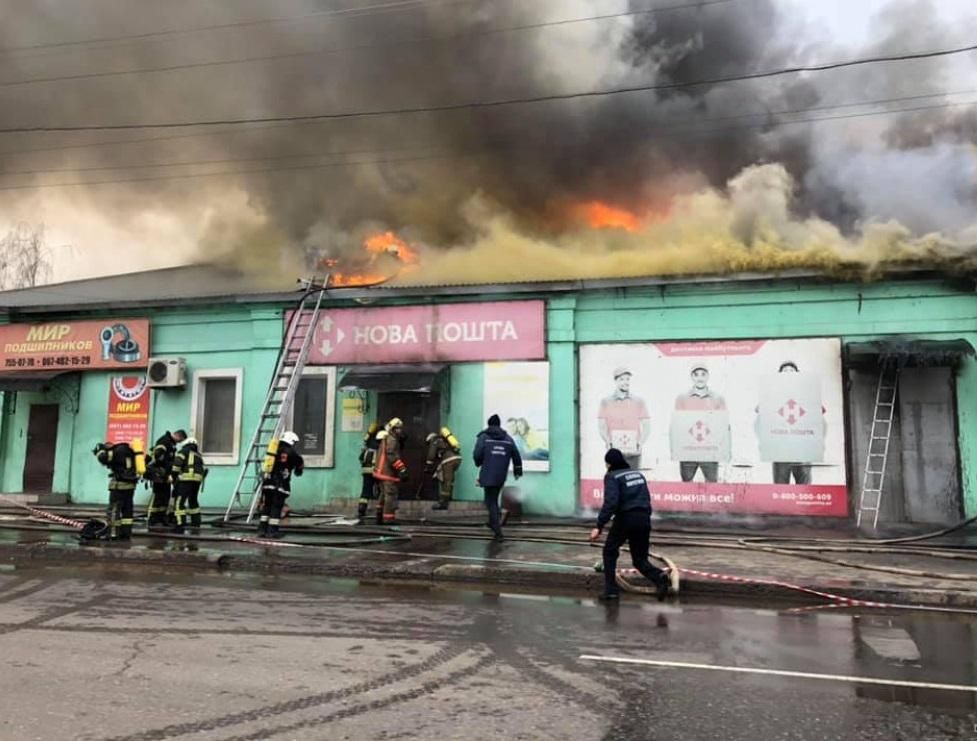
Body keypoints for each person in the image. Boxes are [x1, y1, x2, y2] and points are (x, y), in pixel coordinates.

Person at [590, 448, 670, 601]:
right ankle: (659, 577)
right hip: (644, 519)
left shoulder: (612, 476)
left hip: (626, 519)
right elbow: (646, 498)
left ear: (609, 463)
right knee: (640, 560)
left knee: (609, 552)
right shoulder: (638, 475)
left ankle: (611, 591)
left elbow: (610, 504)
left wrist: (598, 526)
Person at [758, 361, 827, 485]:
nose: (788, 374)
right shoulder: (773, 396)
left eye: (791, 371)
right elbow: (761, 412)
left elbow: (819, 413)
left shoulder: (807, 395)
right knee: (780, 489)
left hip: (803, 450)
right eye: (785, 372)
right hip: (781, 451)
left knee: (804, 489)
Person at [473, 414, 523, 541]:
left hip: (487, 473)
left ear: (489, 424)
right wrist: (518, 470)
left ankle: (498, 531)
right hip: (501, 475)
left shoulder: (484, 437)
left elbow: (477, 454)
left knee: (490, 501)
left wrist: (479, 462)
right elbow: (516, 455)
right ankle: (492, 522)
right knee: (493, 498)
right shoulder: (508, 438)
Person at [674, 365, 726, 483]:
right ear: (692, 377)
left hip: (709, 451)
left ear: (707, 376)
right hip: (688, 451)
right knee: (686, 485)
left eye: (703, 374)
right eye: (696, 374)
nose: (700, 378)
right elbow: (679, 425)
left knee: (712, 485)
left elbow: (722, 425)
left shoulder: (718, 398)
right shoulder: (682, 398)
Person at [598, 367, 650, 470]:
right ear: (615, 381)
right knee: (615, 479)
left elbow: (646, 425)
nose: (625, 382)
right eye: (621, 379)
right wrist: (607, 441)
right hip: (614, 450)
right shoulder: (606, 401)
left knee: (633, 479)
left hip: (633, 450)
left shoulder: (639, 401)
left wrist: (640, 442)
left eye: (627, 379)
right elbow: (602, 425)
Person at [257, 431, 304, 538]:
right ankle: (272, 531)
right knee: (276, 507)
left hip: (267, 483)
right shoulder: (292, 453)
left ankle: (262, 530)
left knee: (267, 506)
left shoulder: (273, 450)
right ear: (291, 441)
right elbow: (298, 471)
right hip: (280, 485)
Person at [93, 441, 139, 541]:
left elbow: (103, 459)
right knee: (127, 511)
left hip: (119, 486)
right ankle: (126, 534)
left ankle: (113, 534)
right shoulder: (129, 450)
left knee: (113, 510)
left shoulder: (115, 451)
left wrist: (99, 451)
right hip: (130, 486)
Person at [145, 429, 186, 528]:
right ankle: (152, 519)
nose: (179, 443)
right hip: (159, 473)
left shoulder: (171, 444)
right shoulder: (164, 441)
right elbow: (158, 456)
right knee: (158, 496)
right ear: (178, 436)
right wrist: (164, 472)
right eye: (180, 440)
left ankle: (161, 517)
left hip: (165, 474)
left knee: (165, 496)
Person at [372, 418, 407, 524]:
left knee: (383, 494)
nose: (400, 431)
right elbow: (392, 455)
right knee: (390, 494)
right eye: (398, 429)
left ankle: (379, 516)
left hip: (381, 471)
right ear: (393, 429)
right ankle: (388, 518)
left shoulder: (388, 438)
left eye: (400, 429)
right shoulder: (392, 440)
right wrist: (402, 469)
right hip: (387, 472)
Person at [171, 437, 207, 534]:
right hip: (197, 480)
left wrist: (173, 477)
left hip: (186, 479)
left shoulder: (183, 451)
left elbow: (176, 465)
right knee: (193, 501)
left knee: (179, 502)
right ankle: (196, 523)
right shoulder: (198, 454)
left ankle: (180, 524)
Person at [425, 426, 462, 510]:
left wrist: (428, 465)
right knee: (450, 479)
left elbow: (431, 454)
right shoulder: (444, 440)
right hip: (457, 458)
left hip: (449, 459)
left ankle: (443, 503)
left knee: (446, 481)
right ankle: (449, 497)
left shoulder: (434, 440)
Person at [357, 422, 381, 521]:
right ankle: (380, 510)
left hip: (366, 471)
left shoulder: (367, 442)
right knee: (381, 489)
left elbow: (360, 458)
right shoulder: (379, 444)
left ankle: (362, 508)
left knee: (366, 489)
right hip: (376, 470)